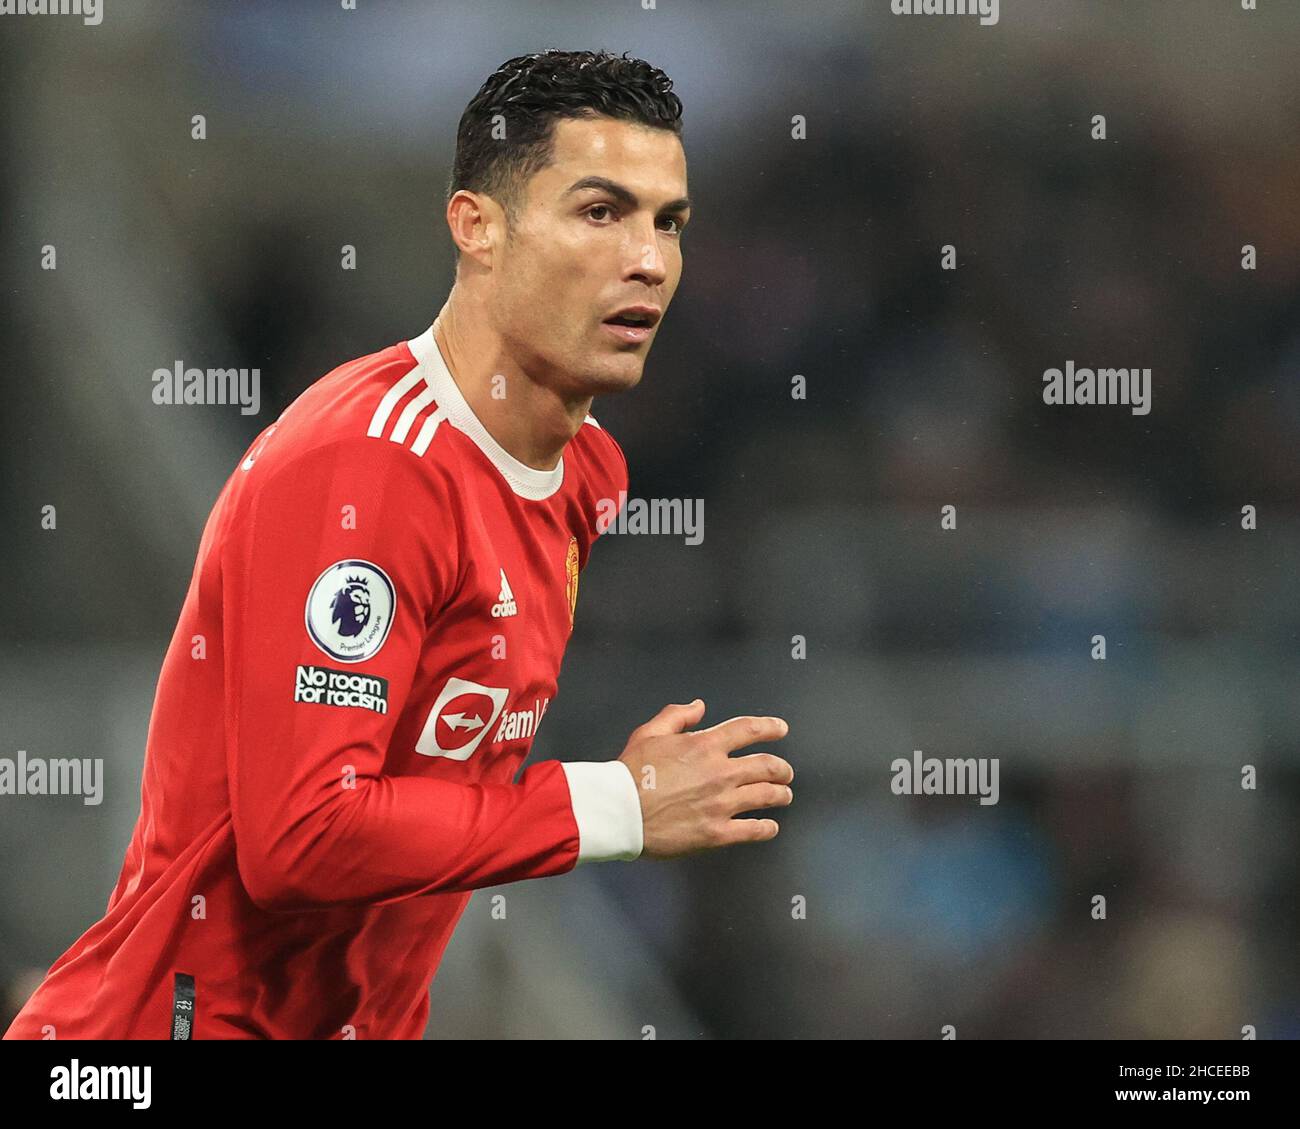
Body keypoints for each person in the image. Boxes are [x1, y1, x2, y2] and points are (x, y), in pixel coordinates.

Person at [4, 48, 793, 1041]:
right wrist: (614, 804)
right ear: (478, 228)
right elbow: (303, 835)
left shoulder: (585, 476)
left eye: (667, 222)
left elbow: (422, 802)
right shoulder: (370, 474)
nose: (648, 259)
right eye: (600, 212)